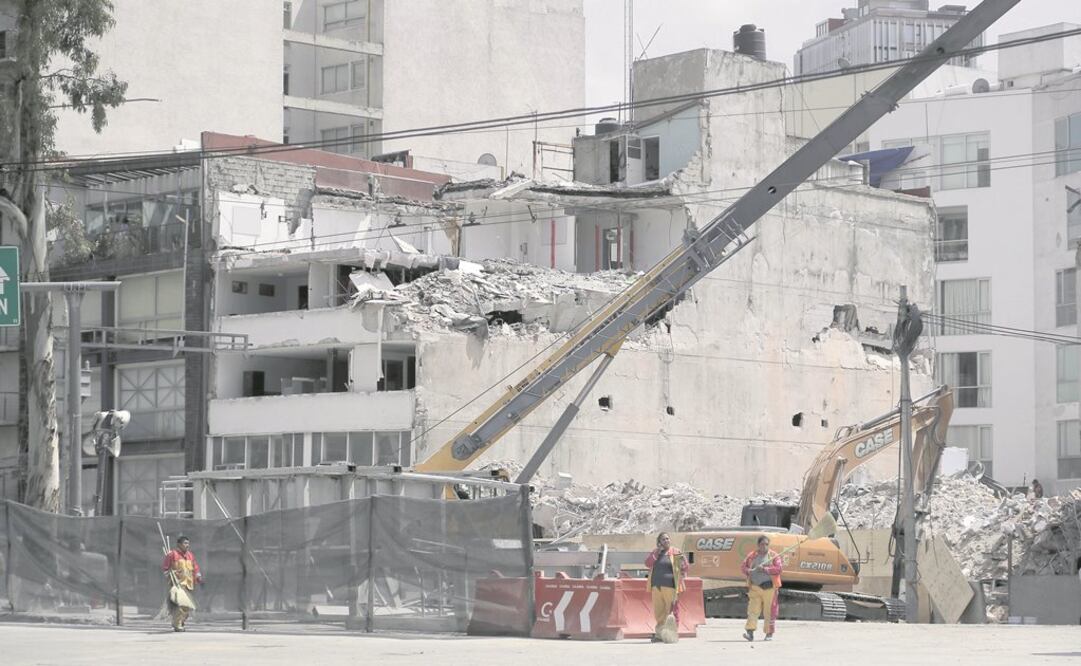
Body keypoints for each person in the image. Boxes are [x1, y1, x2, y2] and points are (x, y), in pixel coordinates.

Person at [644, 532, 688, 643]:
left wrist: (683, 565)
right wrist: (657, 553)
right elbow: (648, 563)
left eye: (667, 539)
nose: (666, 541)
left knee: (672, 611)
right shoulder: (655, 553)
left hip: (671, 586)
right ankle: (659, 635)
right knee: (659, 612)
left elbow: (685, 568)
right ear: (659, 542)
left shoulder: (676, 552)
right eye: (663, 539)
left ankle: (671, 635)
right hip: (656, 587)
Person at [740, 535, 783, 642]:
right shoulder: (752, 556)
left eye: (766, 544)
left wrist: (765, 569)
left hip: (769, 588)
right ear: (758, 545)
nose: (764, 546)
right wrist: (747, 571)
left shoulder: (774, 556)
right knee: (753, 610)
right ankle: (750, 633)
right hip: (755, 587)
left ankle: (769, 633)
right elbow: (743, 566)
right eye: (762, 544)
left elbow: (778, 569)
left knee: (769, 612)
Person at [161, 535, 202, 632]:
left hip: (188, 584)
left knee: (187, 607)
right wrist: (170, 576)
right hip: (178, 585)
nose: (187, 545)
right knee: (180, 606)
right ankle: (177, 625)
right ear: (179, 544)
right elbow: (165, 568)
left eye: (188, 543)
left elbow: (195, 567)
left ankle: (179, 621)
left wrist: (198, 576)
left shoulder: (190, 555)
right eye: (185, 543)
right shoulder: (172, 555)